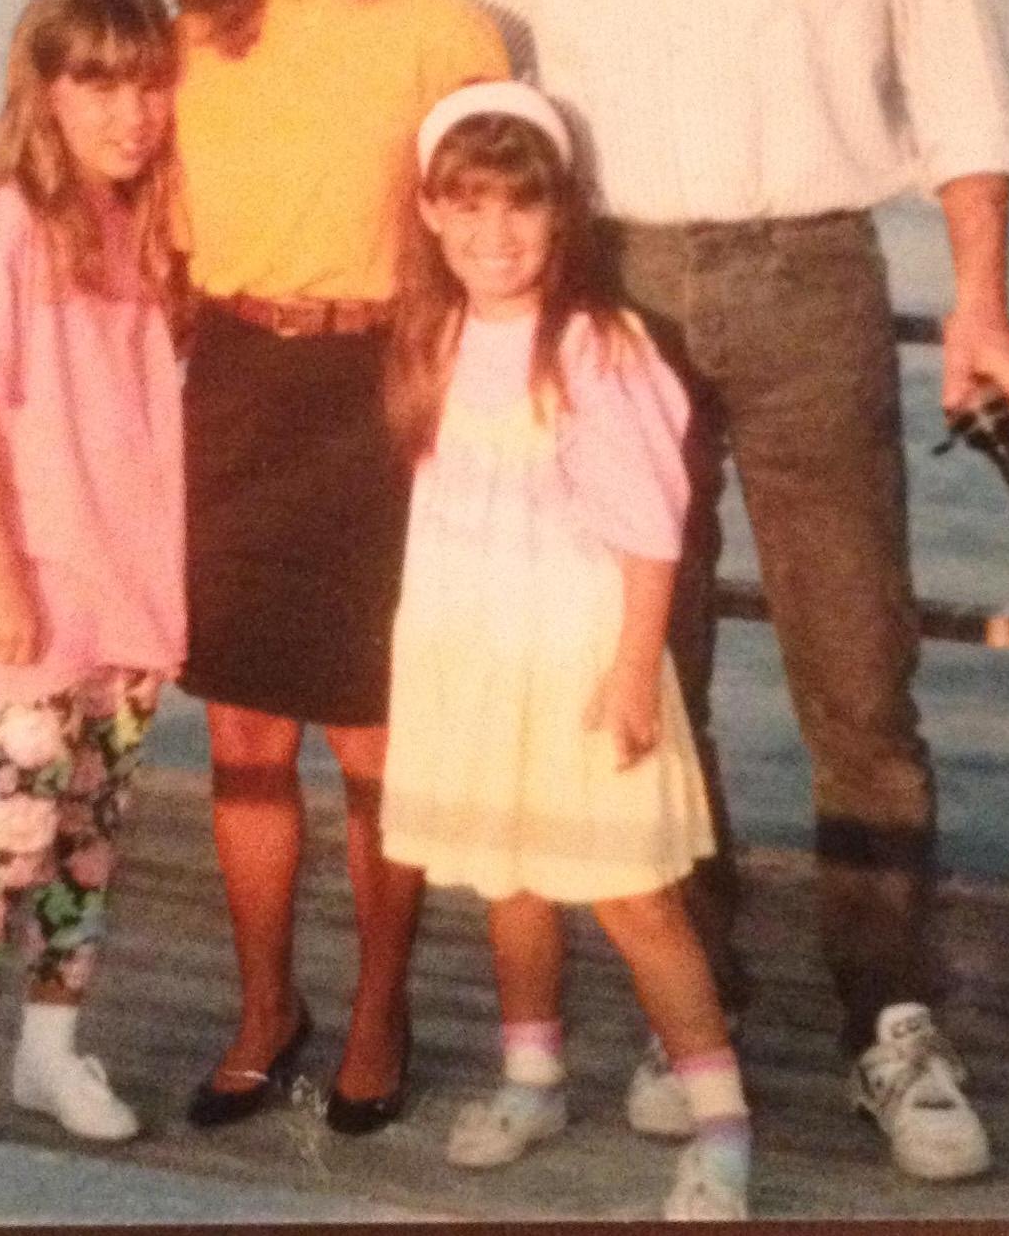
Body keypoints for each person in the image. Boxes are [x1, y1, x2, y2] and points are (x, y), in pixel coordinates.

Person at [440, 0, 1009, 1183]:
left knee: (856, 669)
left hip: (809, 278)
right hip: (605, 291)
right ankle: (684, 1001)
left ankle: (888, 1025)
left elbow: (957, 83)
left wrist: (978, 296)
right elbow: (464, 105)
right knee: (649, 670)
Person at [145, 0, 508, 1135]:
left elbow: (512, 238)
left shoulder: (439, 25)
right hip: (232, 389)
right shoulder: (185, 41)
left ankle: (375, 1009)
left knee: (372, 739)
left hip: (385, 398)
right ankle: (264, 1009)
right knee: (242, 736)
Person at [380, 81, 753, 1220]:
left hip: (584, 660)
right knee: (512, 878)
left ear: (562, 217)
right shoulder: (432, 337)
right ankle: (533, 1072)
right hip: (475, 657)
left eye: (521, 209)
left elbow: (652, 528)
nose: (495, 235)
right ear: (434, 216)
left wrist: (637, 669)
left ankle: (724, 1121)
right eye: (469, 208)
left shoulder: (596, 344)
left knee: (635, 893)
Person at [0, 0, 186, 1145]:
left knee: (89, 839)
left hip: (134, 592)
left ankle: (51, 1053)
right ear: (48, 91)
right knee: (9, 838)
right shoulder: (4, 228)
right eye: (98, 83)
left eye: (148, 84)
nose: (130, 111)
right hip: (41, 596)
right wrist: (1, 579)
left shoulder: (147, 227)